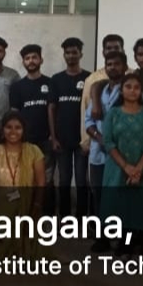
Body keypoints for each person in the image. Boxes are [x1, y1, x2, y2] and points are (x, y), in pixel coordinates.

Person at [100, 73, 143, 256]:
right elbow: (108, 142)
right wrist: (126, 167)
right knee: (121, 205)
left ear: (141, 91)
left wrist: (137, 169)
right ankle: (124, 243)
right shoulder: (113, 113)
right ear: (121, 90)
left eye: (136, 87)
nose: (132, 90)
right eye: (128, 87)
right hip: (118, 168)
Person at [0, 112, 48, 260]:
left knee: (30, 254)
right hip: (0, 207)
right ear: (2, 129)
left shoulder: (34, 151)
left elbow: (41, 182)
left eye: (18, 127)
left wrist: (36, 208)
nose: (13, 131)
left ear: (24, 130)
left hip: (27, 205)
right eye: (8, 127)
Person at [84, 51, 128, 253]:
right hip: (98, 154)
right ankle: (103, 238)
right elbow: (89, 121)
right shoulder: (100, 90)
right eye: (109, 64)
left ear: (124, 67)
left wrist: (111, 144)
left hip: (121, 155)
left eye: (117, 64)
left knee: (121, 197)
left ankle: (123, 240)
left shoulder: (130, 90)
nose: (113, 67)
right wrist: (100, 138)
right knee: (99, 197)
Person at [48, 37, 91, 218]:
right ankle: (65, 218)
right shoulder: (56, 79)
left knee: (81, 181)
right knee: (64, 181)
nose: (71, 55)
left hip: (82, 139)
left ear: (81, 54)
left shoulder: (89, 78)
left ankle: (81, 218)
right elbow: (51, 108)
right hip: (62, 139)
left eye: (74, 52)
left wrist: (89, 139)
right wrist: (53, 137)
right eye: (68, 53)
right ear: (64, 55)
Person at [10, 44, 55, 214]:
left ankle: (47, 217)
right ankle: (26, 215)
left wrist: (53, 136)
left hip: (46, 141)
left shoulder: (51, 83)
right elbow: (14, 115)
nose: (31, 61)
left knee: (47, 181)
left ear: (41, 60)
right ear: (23, 62)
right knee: (25, 179)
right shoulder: (17, 87)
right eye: (27, 58)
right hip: (25, 141)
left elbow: (55, 112)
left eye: (34, 57)